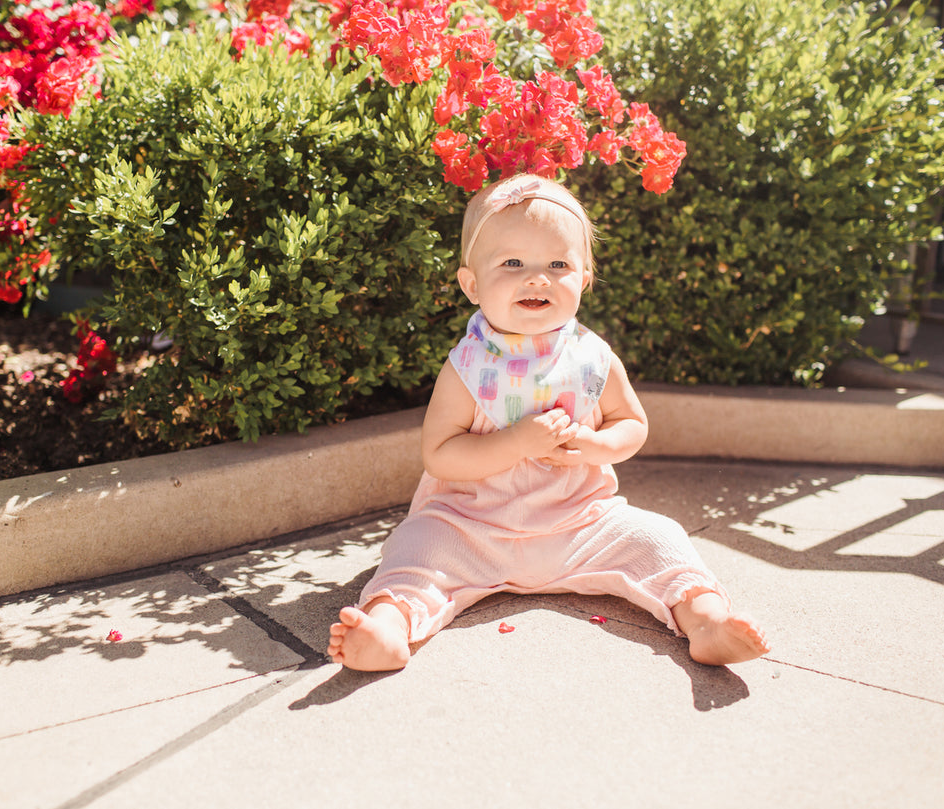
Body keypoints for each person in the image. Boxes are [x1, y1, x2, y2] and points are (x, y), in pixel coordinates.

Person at [327, 174, 770, 671]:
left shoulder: (592, 358)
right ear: (471, 284)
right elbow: (440, 455)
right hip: (470, 528)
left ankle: (706, 621)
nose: (537, 278)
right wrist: (517, 443)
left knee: (659, 537)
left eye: (558, 265)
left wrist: (595, 444)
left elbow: (631, 423)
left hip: (579, 524)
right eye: (512, 263)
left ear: (584, 280)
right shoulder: (468, 366)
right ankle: (388, 628)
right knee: (415, 547)